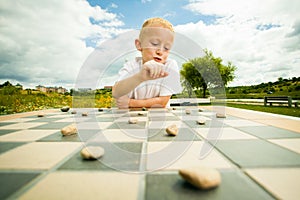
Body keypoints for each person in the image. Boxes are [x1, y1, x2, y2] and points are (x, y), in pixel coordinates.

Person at [112, 17, 182, 109]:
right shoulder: (131, 65)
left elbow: (162, 102)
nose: (160, 51)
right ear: (139, 45)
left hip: (160, 118)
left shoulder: (170, 66)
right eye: (154, 43)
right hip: (132, 118)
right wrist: (139, 77)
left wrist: (130, 102)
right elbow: (116, 92)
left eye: (167, 47)